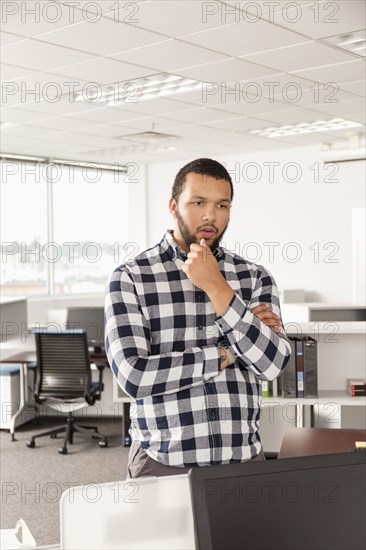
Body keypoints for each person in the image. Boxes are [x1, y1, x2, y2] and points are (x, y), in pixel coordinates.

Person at [105, 158, 291, 479]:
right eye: (198, 202)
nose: (210, 215)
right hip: (162, 460)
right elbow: (134, 378)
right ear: (173, 205)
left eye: (222, 204)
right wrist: (227, 353)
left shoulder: (254, 277)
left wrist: (217, 286)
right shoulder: (131, 277)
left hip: (242, 459)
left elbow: (272, 364)